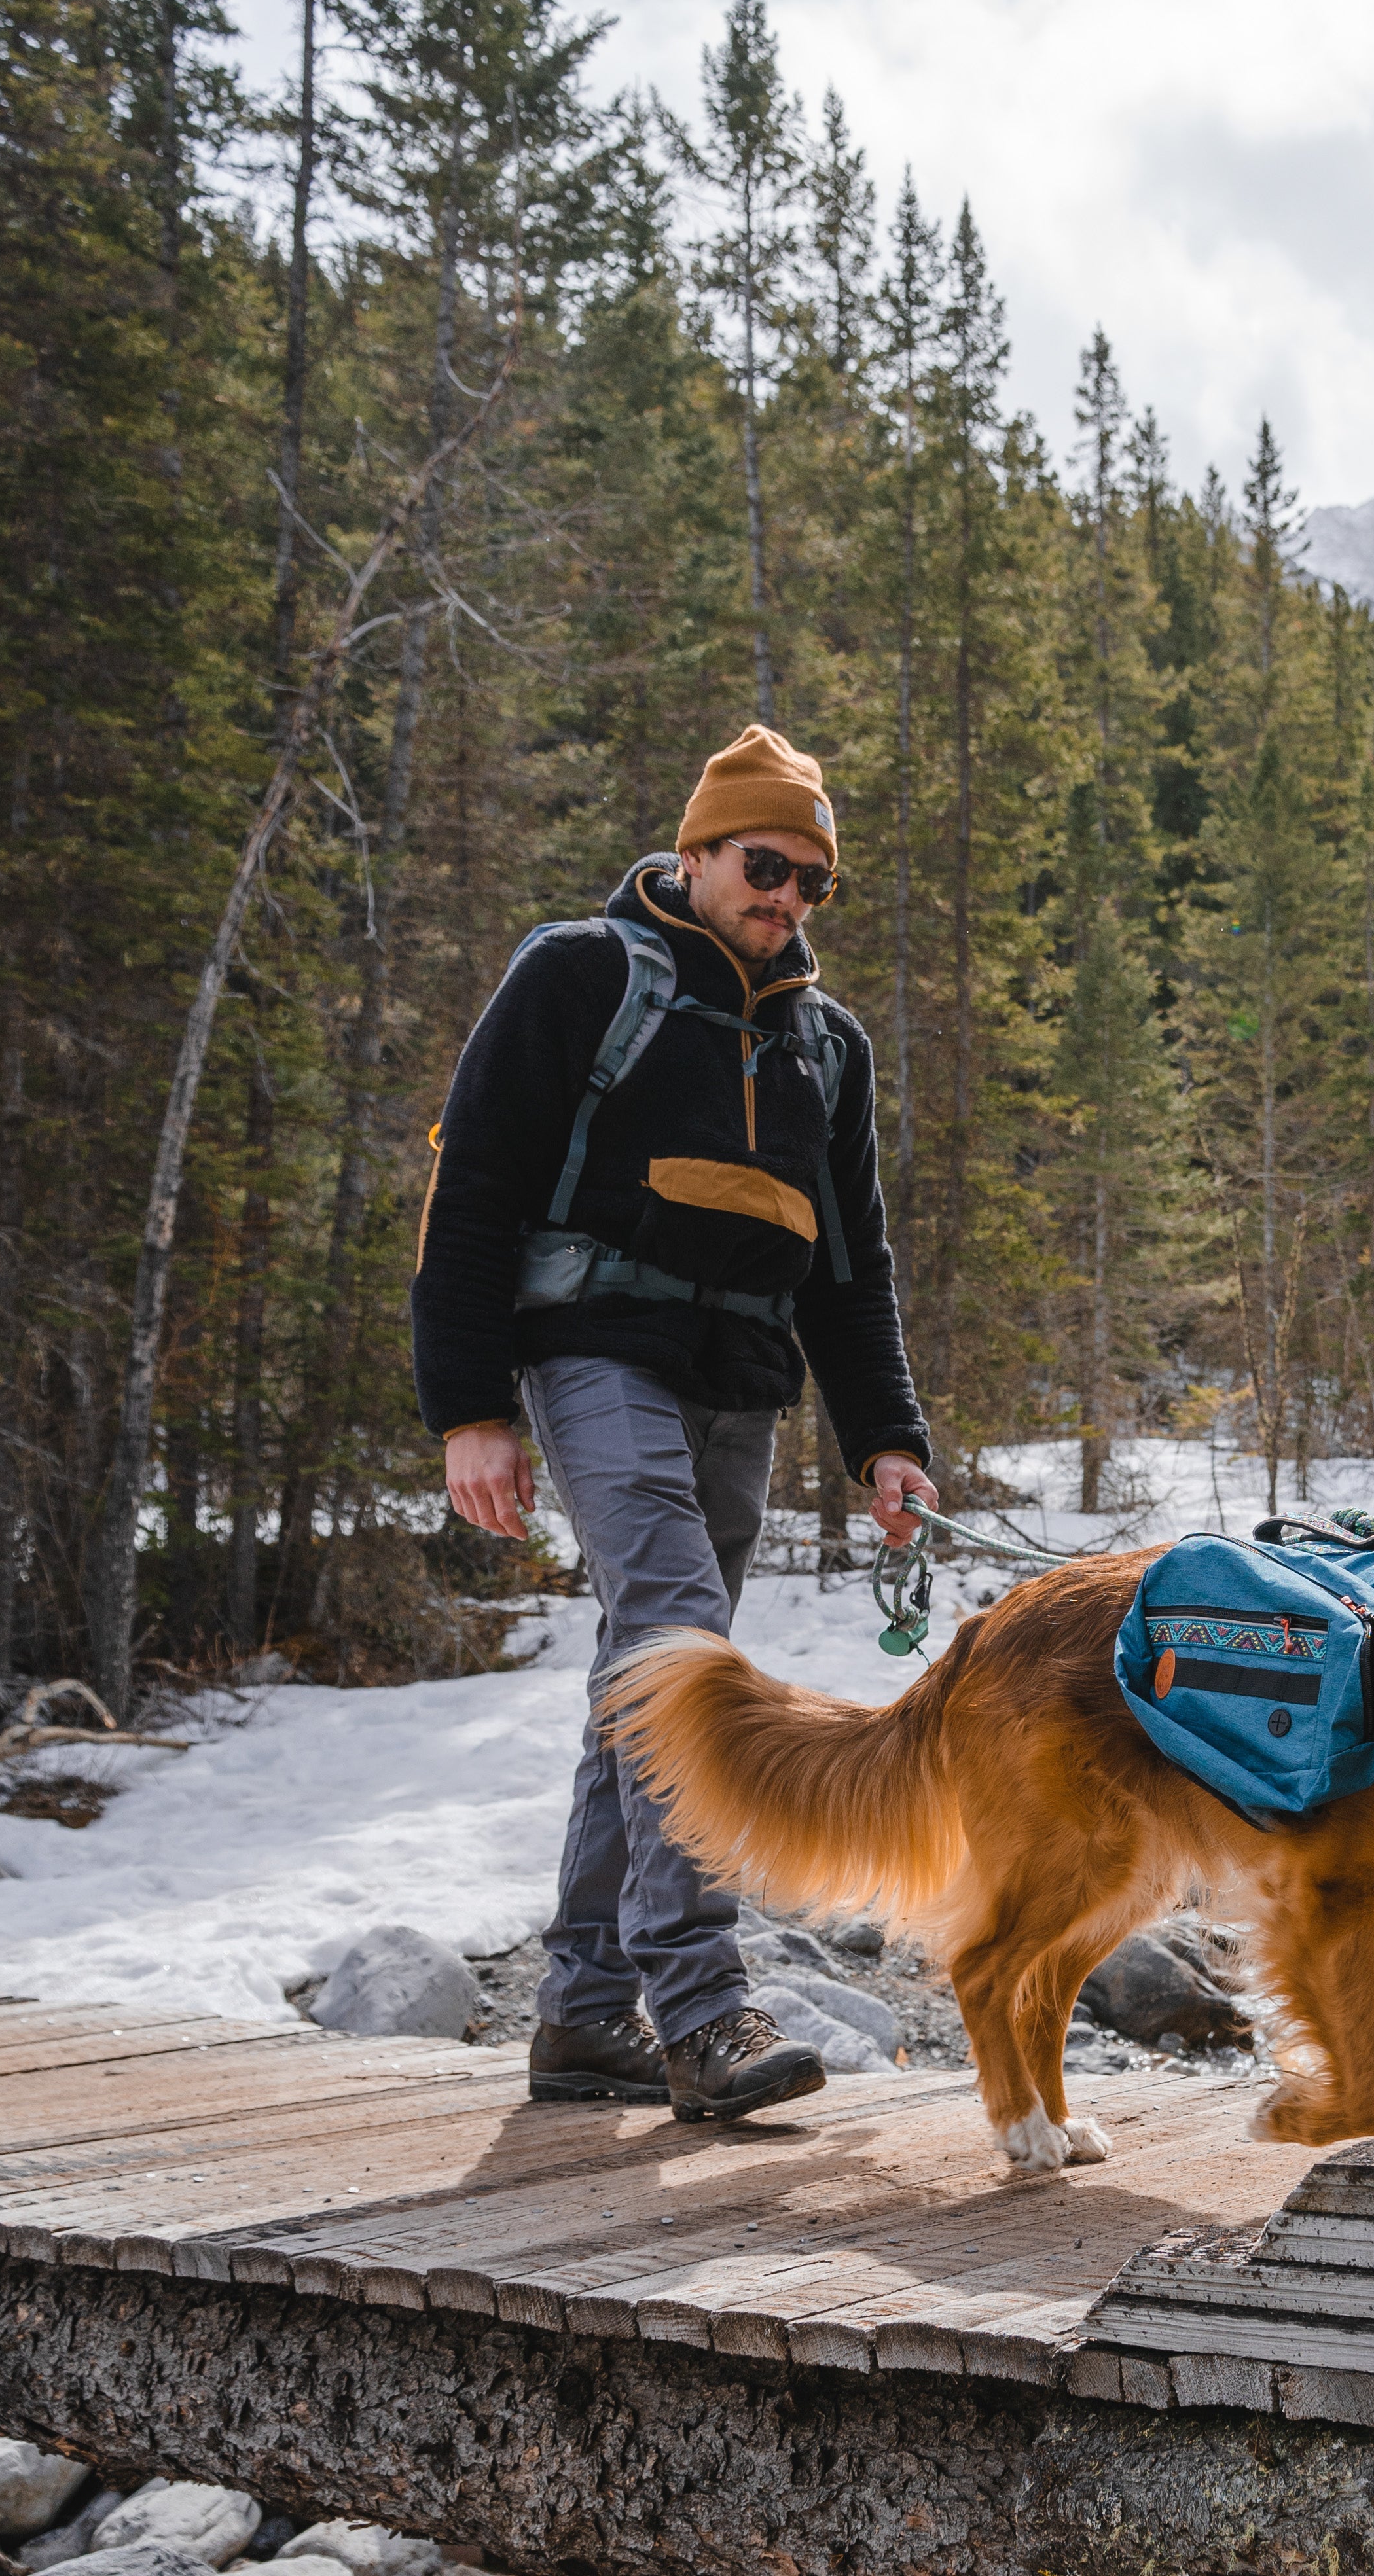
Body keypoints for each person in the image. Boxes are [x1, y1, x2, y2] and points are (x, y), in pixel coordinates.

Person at [411, 724, 935, 2122]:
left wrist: (888, 1438)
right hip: (591, 1353)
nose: (787, 899)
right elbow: (472, 1193)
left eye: (813, 881)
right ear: (697, 850)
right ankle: (700, 2007)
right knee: (683, 1652)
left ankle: (582, 2015)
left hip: (738, 1384)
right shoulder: (582, 971)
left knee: (638, 1681)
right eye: (766, 866)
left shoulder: (826, 1044)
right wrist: (468, 1404)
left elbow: (849, 1265)